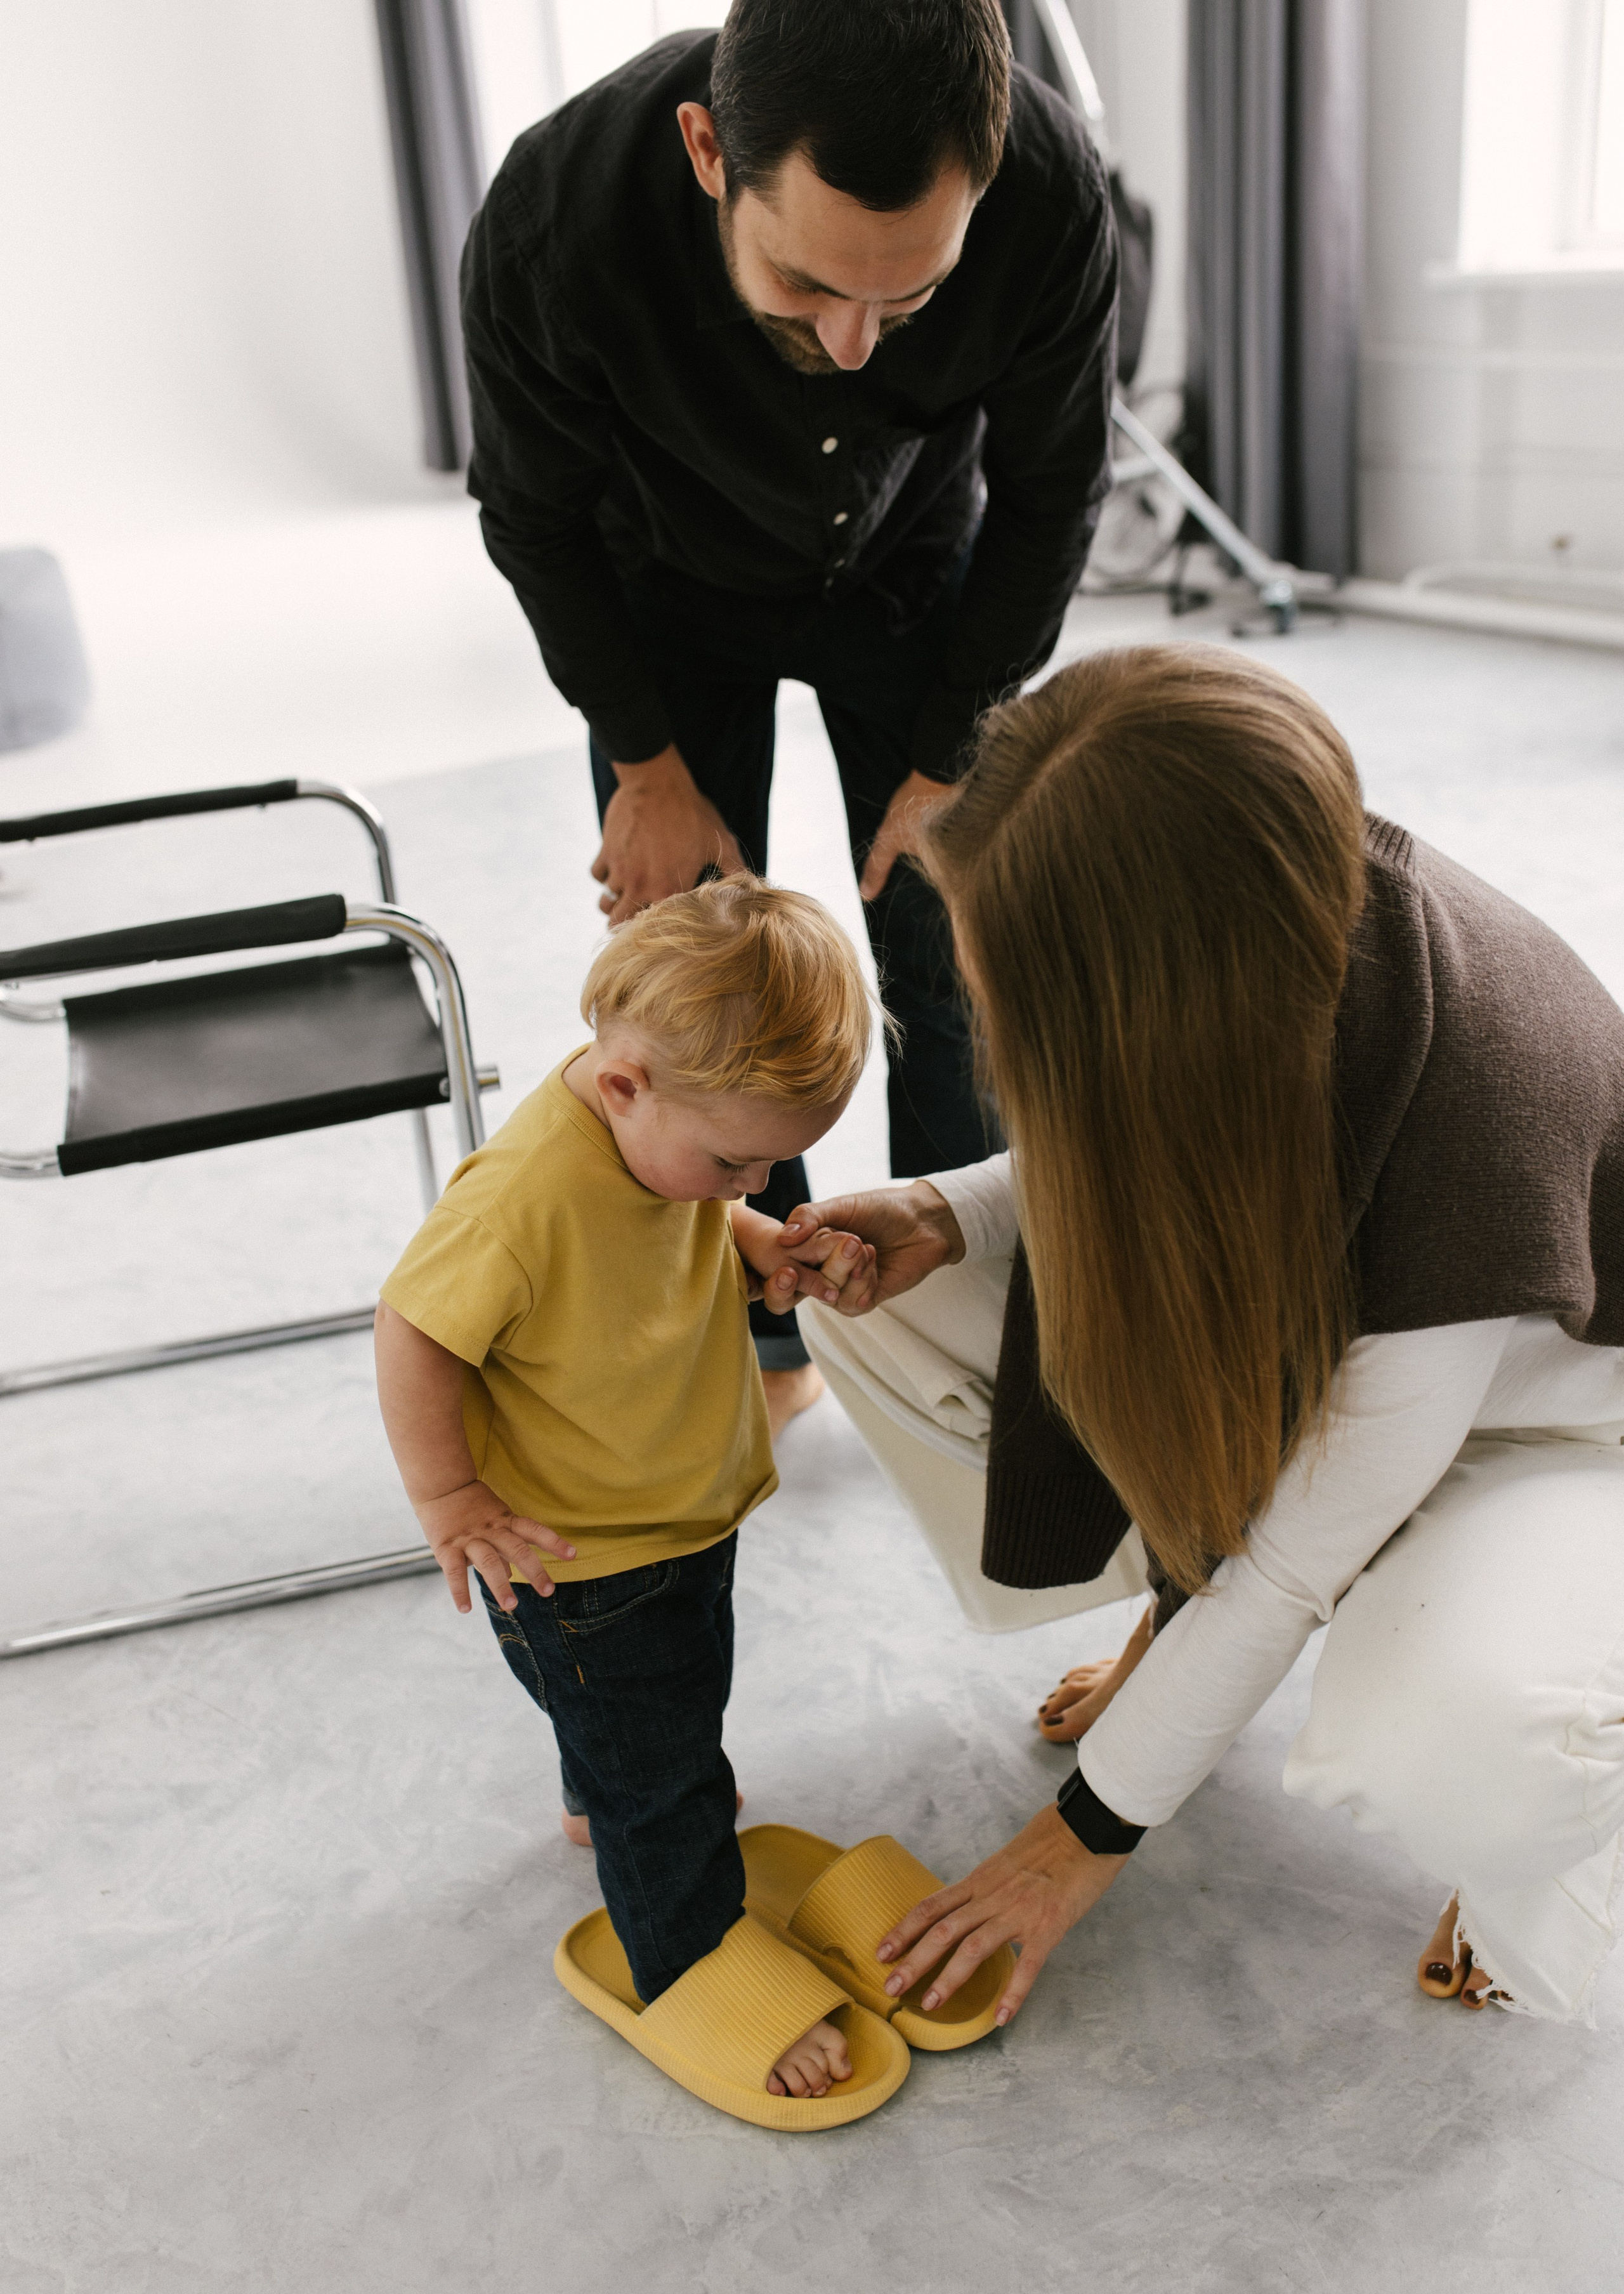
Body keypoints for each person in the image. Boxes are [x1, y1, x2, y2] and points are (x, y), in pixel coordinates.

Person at [763, 644, 1624, 2028]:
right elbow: (1175, 1171)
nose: (981, 1010)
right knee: (883, 1288)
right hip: (1375, 1353)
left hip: (1558, 1433)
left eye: (1012, 995)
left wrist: (1075, 1846)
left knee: (1459, 1746)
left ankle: (1550, 1830)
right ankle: (1188, 1621)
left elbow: (1286, 1562)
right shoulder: (1268, 943)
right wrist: (947, 1213)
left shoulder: (1474, 1106)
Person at [459, 0, 1118, 1431]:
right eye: (807, 287)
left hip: (912, 575)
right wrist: (640, 758)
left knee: (953, 959)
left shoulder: (1055, 194)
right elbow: (531, 512)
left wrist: (954, 757)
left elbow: (1055, 491)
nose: (858, 342)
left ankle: (955, 1318)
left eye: (912, 298)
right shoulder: (554, 215)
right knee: (705, 999)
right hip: (662, 590)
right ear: (709, 152)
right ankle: (765, 1332)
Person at [373, 875, 883, 2101]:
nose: (750, 1187)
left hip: (671, 1513)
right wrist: (450, 1500)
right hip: (583, 1556)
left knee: (646, 1705)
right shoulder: (519, 1202)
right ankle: (688, 1956)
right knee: (668, 1775)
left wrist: (759, 1246)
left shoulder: (660, 1129)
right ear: (620, 1088)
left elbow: (692, 1217)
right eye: (739, 1165)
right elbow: (414, 1329)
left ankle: (596, 1794)